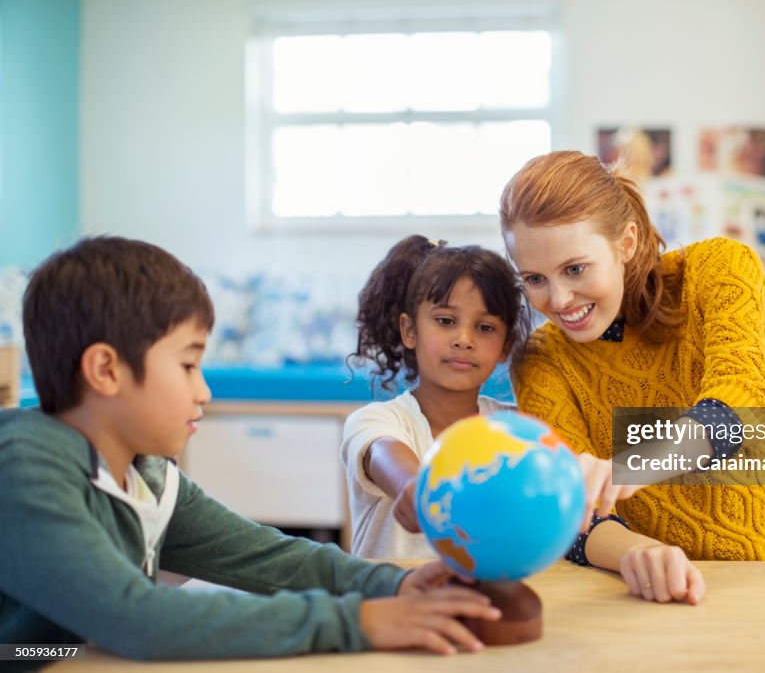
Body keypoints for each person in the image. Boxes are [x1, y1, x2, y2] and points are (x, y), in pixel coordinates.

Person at [0, 236, 502, 665]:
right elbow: (137, 619)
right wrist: (361, 621)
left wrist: (388, 586)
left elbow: (267, 557)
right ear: (106, 370)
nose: (204, 392)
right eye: (189, 366)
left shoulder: (147, 474)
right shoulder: (26, 467)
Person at [500, 151, 765, 563]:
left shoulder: (718, 268)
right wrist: (639, 554)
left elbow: (740, 405)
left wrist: (625, 465)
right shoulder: (541, 359)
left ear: (626, 242)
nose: (558, 300)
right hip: (677, 589)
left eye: (575, 269)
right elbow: (574, 518)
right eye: (535, 279)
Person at [341, 236, 704, 604]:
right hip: (394, 612)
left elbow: (573, 514)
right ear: (410, 331)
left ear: (504, 347)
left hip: (487, 611)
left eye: (485, 328)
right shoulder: (379, 420)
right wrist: (415, 488)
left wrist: (636, 549)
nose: (464, 339)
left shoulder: (520, 430)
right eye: (446, 321)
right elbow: (387, 458)